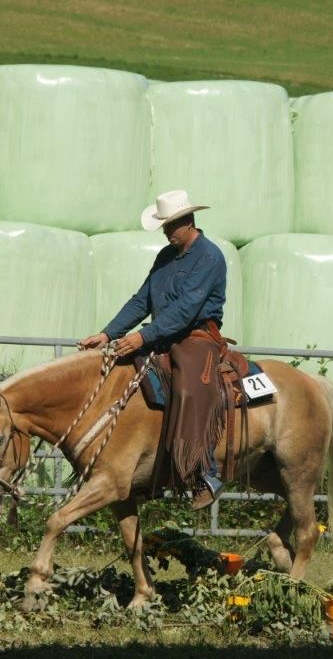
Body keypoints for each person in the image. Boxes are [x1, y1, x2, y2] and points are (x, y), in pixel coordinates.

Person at [78, 189, 228, 510]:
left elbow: (187, 310)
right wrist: (107, 334)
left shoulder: (210, 257)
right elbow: (142, 300)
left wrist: (143, 338)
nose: (165, 230)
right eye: (164, 224)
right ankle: (150, 468)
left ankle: (205, 470)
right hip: (162, 335)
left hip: (196, 337)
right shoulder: (165, 257)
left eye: (170, 224)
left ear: (188, 221)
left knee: (188, 387)